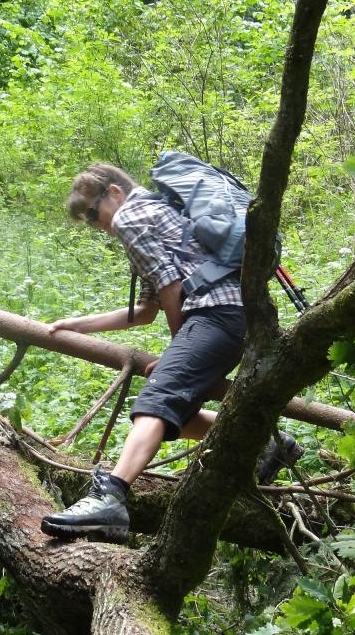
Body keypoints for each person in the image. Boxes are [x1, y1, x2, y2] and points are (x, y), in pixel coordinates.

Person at [41, 162, 303, 543]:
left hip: (214, 315)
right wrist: (78, 324)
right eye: (87, 221)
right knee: (179, 411)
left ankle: (110, 497)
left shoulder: (132, 217)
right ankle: (269, 445)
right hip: (233, 317)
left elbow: (171, 286)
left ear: (114, 193)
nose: (96, 225)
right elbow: (145, 312)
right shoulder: (157, 211)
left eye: (93, 214)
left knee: (157, 401)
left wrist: (178, 344)